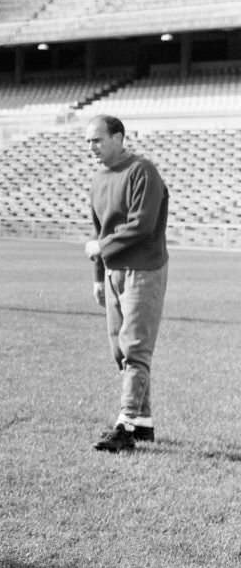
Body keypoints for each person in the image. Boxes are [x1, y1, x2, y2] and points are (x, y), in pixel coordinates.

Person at [84, 115, 169, 453]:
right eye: (88, 141)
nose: (92, 147)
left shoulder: (142, 171)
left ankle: (125, 425)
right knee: (119, 351)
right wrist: (98, 278)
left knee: (135, 348)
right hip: (112, 273)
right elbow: (98, 230)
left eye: (97, 140)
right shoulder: (97, 179)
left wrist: (103, 248)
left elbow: (142, 225)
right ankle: (143, 423)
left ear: (119, 137)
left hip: (144, 270)